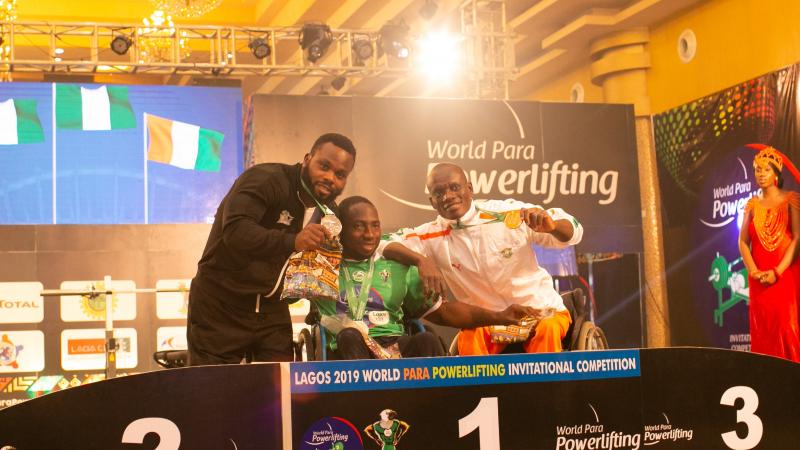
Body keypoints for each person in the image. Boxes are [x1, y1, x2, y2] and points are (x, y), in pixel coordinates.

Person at [187, 133, 357, 366]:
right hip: (221, 305)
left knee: (279, 393)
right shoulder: (265, 179)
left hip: (271, 310)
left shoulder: (329, 213)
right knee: (213, 392)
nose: (330, 178)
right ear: (308, 159)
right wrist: (293, 240)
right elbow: (236, 231)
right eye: (324, 166)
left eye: (340, 175)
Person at [383, 162, 584, 356]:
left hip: (540, 312)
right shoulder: (430, 235)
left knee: (547, 329)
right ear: (432, 201)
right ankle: (478, 391)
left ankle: (544, 390)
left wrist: (553, 226)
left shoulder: (507, 214)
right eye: (439, 193)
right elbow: (384, 243)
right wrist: (420, 260)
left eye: (455, 187)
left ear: (469, 188)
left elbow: (575, 230)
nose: (448, 196)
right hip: (489, 322)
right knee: (469, 337)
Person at [314, 196, 537, 360]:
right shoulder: (322, 266)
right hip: (347, 352)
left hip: (393, 347)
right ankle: (367, 404)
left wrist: (500, 316)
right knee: (350, 336)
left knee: (427, 340)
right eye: (358, 227)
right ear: (341, 230)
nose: (370, 234)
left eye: (375, 226)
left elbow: (443, 312)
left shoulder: (396, 265)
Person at [739, 144, 800, 362]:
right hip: (759, 281)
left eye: (765, 169)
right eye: (757, 169)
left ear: (775, 173)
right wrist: (753, 271)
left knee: (787, 328)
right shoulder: (752, 205)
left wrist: (777, 271)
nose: (760, 174)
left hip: (784, 278)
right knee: (763, 331)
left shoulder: (792, 199)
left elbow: (797, 239)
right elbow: (743, 241)